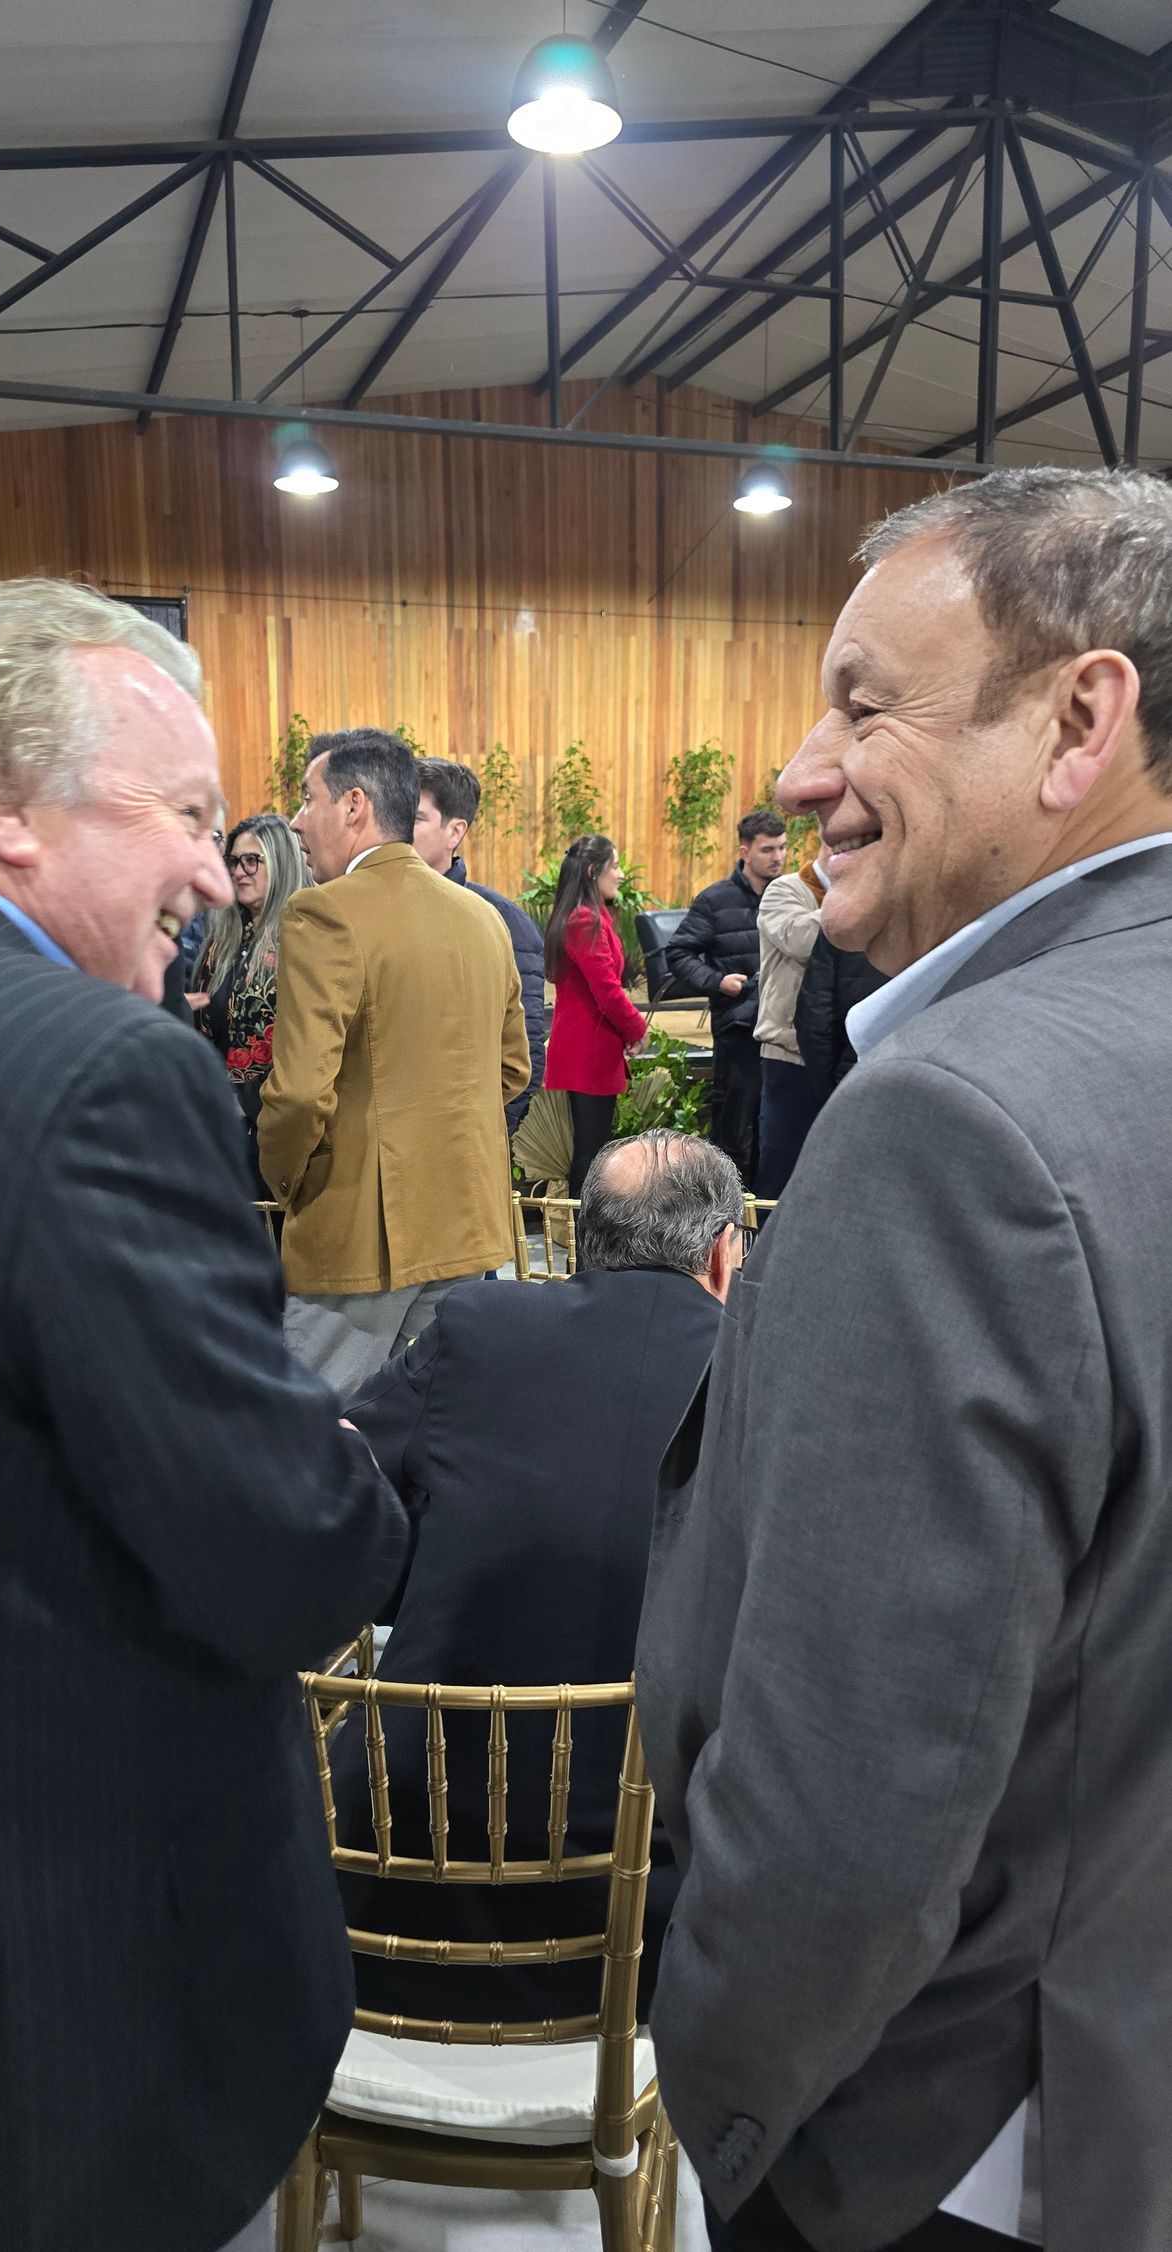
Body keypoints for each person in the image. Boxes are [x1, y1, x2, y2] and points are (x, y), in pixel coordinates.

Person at [635, 466, 1172, 2252]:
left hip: (938, 2153)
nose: (804, 770)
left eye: (866, 706)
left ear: (1079, 721)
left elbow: (846, 1797)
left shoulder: (954, 1121)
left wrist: (726, 2102)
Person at [0, 580, 409, 2252]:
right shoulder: (99, 1070)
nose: (214, 867)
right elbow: (281, 1551)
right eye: (185, 815)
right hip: (63, 1983)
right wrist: (350, 1468)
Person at [334, 1128, 743, 2024]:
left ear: (582, 1239)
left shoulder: (481, 1327)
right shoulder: (766, 1376)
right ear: (724, 1254)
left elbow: (334, 1482)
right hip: (644, 1940)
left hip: (388, 1894)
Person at [258, 727, 531, 1396]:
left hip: (358, 1231)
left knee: (313, 1429)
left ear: (354, 804)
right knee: (432, 1426)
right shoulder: (484, 918)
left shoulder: (322, 913)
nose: (295, 821)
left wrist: (286, 1182)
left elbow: (299, 1094)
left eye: (307, 799)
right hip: (468, 1223)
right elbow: (512, 1071)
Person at [412, 755, 545, 1133]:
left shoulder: (504, 922)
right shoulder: (369, 910)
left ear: (455, 832)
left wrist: (484, 1136)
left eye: (416, 818)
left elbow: (523, 1057)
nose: (398, 828)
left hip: (465, 1138)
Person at [666, 809, 787, 1187]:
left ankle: (767, 1214)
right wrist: (718, 982)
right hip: (740, 1028)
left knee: (777, 1132)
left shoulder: (793, 896)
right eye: (768, 849)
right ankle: (728, 1211)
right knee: (734, 1132)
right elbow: (678, 953)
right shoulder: (715, 901)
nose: (778, 857)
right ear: (745, 852)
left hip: (787, 1031)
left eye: (783, 848)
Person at [190, 811, 306, 1197]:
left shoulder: (304, 938)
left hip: (278, 1134)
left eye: (252, 860)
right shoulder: (219, 944)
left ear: (281, 862)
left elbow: (306, 1044)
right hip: (217, 1134)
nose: (240, 871)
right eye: (234, 861)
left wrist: (244, 1101)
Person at [542, 832, 648, 1202]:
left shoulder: (589, 915)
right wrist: (638, 1028)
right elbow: (607, 989)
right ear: (592, 871)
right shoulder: (584, 920)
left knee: (593, 1149)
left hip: (593, 1048)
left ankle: (586, 1235)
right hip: (587, 1051)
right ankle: (584, 1236)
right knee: (590, 1153)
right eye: (614, 866)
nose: (620, 874)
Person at [751, 842, 831, 1199]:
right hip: (789, 1052)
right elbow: (800, 939)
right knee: (780, 1171)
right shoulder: (785, 890)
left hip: (842, 1055)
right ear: (828, 842)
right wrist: (851, 901)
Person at [793, 930, 887, 1103]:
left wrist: (831, 1093)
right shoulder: (942, 929)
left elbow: (815, 1022)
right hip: (932, 1078)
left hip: (855, 1079)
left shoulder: (846, 923)